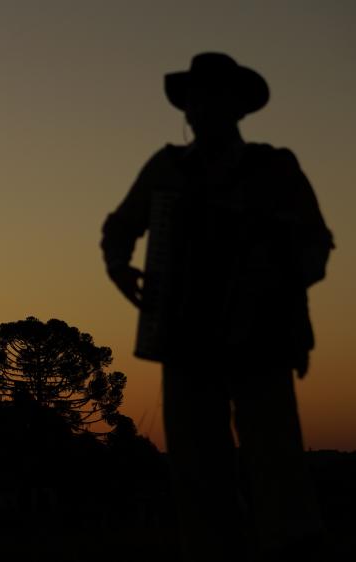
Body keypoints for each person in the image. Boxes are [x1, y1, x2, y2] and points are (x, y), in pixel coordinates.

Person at [100, 52, 334, 561]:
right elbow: (120, 226)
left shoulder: (275, 168)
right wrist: (119, 267)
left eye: (213, 97)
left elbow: (316, 243)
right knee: (196, 469)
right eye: (194, 99)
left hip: (263, 337)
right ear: (187, 109)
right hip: (184, 341)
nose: (201, 108)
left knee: (276, 463)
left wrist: (277, 277)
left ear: (237, 108)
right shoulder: (166, 168)